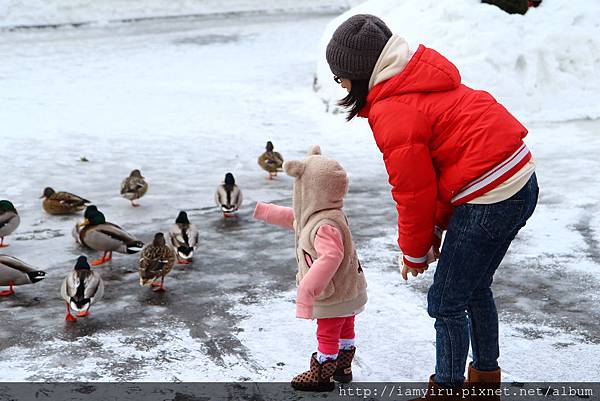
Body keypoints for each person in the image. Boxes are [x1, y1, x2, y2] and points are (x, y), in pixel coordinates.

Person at [325, 14, 539, 397]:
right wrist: (437, 231)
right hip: (519, 181)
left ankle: (447, 389)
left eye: (338, 75)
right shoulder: (419, 78)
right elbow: (444, 171)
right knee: (474, 286)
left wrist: (414, 250)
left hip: (490, 195)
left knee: (445, 301)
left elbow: (414, 192)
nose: (338, 84)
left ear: (358, 74)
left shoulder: (393, 111)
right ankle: (485, 378)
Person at [254, 146, 367, 392]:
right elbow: (298, 221)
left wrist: (308, 289)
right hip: (348, 288)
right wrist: (267, 212)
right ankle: (343, 367)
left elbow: (331, 257)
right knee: (345, 324)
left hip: (332, 291)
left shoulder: (324, 224)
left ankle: (322, 374)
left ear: (310, 189)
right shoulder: (328, 214)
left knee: (327, 331)